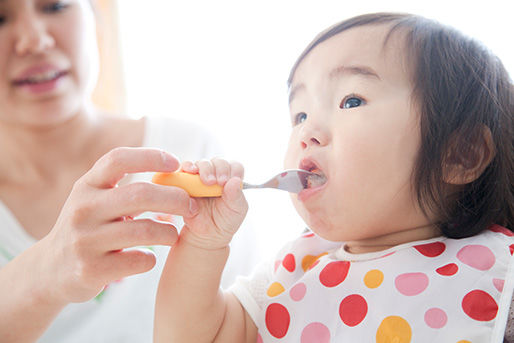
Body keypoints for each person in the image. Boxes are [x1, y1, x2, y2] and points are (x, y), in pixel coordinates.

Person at [153, 12, 514, 343]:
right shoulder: (292, 271)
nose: (307, 132)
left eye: (351, 101)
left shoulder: (501, 277)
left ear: (461, 154)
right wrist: (203, 246)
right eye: (300, 115)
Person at [0, 0, 260, 342]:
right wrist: (47, 270)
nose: (34, 40)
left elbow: (244, 322)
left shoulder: (192, 153)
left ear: (96, 19)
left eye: (55, 6)